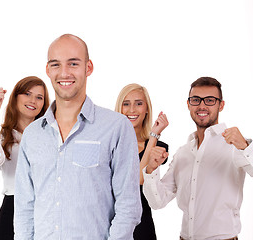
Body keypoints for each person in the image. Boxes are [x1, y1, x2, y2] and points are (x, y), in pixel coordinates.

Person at [14, 34, 142, 240]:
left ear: (88, 67)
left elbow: (128, 206)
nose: (64, 72)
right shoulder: (33, 134)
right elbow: (24, 207)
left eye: (73, 63)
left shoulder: (116, 127)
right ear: (48, 70)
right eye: (56, 65)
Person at [143, 77, 253, 240]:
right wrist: (151, 169)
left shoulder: (235, 144)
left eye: (210, 100)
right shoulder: (183, 153)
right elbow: (157, 202)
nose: (202, 106)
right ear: (188, 105)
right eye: (196, 100)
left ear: (221, 105)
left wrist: (245, 146)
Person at [0, 76, 49, 240]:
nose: (33, 100)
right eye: (27, 94)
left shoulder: (49, 135)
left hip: (44, 208)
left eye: (39, 97)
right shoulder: (4, 136)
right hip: (12, 207)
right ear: (16, 98)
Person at [115, 83, 168, 240]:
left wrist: (153, 136)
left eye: (138, 103)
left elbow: (138, 179)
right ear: (120, 108)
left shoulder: (158, 148)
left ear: (146, 109)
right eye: (126, 104)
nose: (132, 109)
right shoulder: (110, 145)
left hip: (142, 229)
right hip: (112, 226)